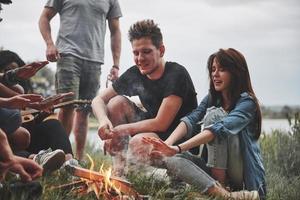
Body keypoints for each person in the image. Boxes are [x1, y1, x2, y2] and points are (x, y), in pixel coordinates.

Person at [143, 48, 266, 200]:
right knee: (172, 159)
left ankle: (221, 190)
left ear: (236, 73)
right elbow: (191, 119)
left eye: (222, 69)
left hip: (241, 177)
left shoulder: (248, 102)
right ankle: (224, 195)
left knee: (214, 116)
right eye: (213, 69)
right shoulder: (212, 98)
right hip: (216, 170)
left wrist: (177, 148)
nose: (215, 74)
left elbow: (217, 129)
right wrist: (167, 145)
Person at [92, 19, 198, 176]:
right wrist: (103, 122)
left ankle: (176, 178)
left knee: (137, 144)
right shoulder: (135, 72)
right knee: (115, 103)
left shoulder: (177, 74)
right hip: (152, 133)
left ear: (161, 50)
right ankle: (119, 173)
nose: (140, 58)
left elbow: (161, 123)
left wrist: (118, 132)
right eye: (136, 53)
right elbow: (98, 100)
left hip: (180, 143)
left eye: (146, 51)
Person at [38, 0, 122, 160]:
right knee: (67, 106)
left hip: (95, 60)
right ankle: (61, 156)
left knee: (84, 110)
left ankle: (79, 159)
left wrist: (116, 64)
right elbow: (44, 18)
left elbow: (115, 31)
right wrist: (49, 44)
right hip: (68, 55)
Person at [0, 50, 75, 174]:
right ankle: (34, 159)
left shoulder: (18, 88)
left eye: (15, 69)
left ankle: (68, 164)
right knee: (21, 136)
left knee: (53, 125)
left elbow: (26, 122)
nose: (9, 74)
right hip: (10, 143)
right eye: (7, 70)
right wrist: (12, 102)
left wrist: (40, 112)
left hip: (19, 137)